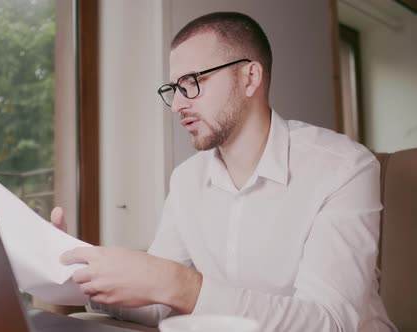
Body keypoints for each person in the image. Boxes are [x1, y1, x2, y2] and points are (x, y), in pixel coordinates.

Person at [51, 12, 397, 331]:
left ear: (250, 77)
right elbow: (157, 302)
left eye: (192, 82)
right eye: (174, 89)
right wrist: (79, 278)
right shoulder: (186, 180)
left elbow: (329, 322)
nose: (179, 105)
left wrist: (179, 284)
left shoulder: (344, 167)